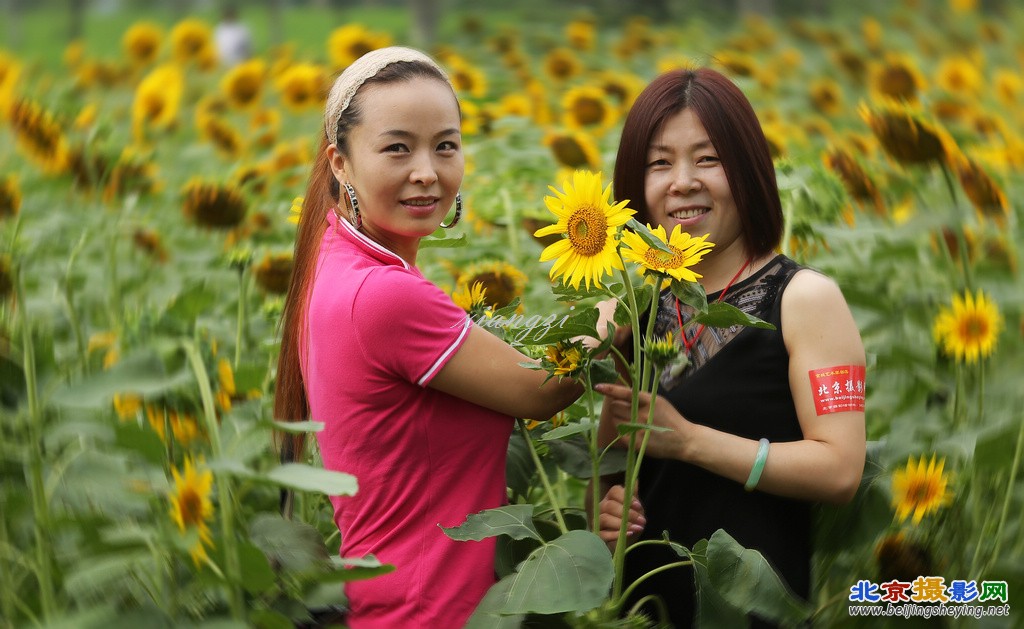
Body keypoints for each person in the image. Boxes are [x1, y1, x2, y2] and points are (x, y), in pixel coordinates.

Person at [273, 47, 581, 628]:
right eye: (397, 147)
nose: (427, 171)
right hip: (428, 611)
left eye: (445, 145)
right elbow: (544, 390)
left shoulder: (333, 261)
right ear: (339, 164)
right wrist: (619, 313)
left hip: (389, 603)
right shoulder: (386, 297)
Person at [592, 68, 866, 628]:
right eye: (659, 162)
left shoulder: (805, 299)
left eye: (708, 159)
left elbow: (840, 470)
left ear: (748, 170)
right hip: (643, 609)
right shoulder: (633, 309)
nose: (683, 182)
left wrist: (690, 442)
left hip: (754, 613)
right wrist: (606, 509)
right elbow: (609, 463)